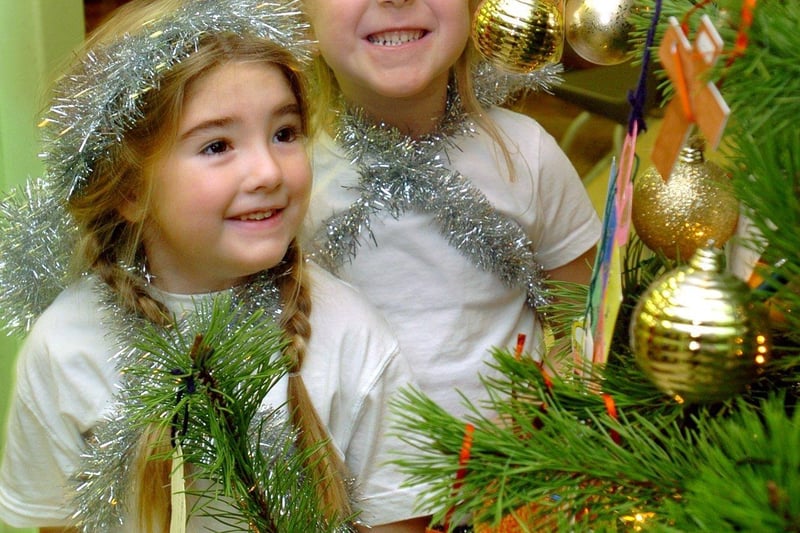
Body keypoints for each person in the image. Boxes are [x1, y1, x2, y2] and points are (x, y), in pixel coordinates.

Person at [0, 0, 429, 531]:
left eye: (285, 133)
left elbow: (398, 519)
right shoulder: (65, 347)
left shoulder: (351, 335)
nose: (268, 171)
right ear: (130, 188)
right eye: (217, 145)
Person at [301, 0, 602, 422]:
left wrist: (544, 414)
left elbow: (587, 327)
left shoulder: (526, 155)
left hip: (509, 473)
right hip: (347, 483)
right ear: (303, 20)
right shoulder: (289, 179)